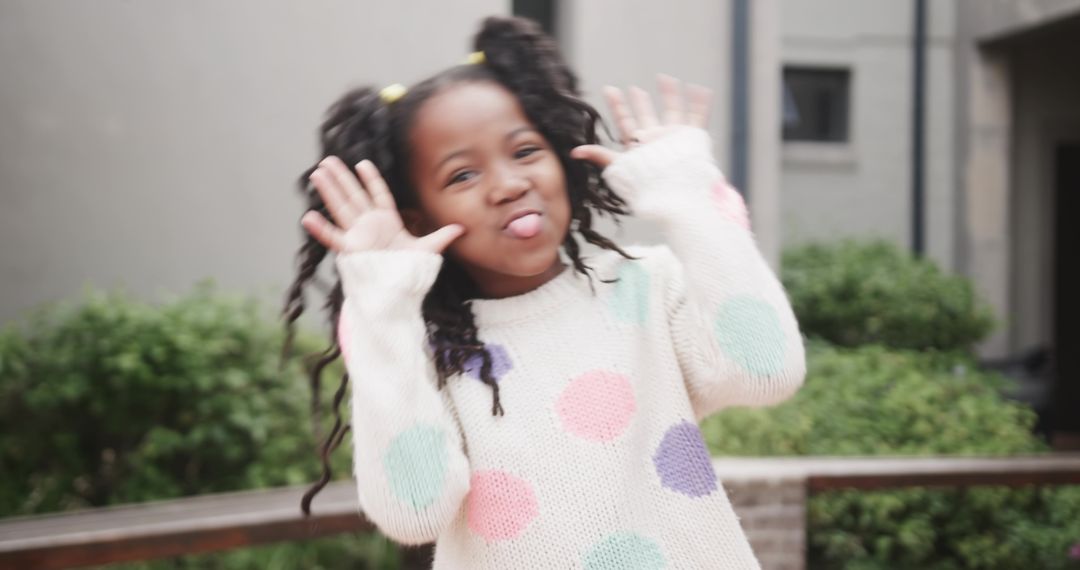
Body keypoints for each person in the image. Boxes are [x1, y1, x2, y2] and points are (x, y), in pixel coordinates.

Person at [284, 15, 806, 570]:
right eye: (462, 176)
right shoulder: (425, 350)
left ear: (561, 155)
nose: (510, 184)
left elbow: (764, 372)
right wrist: (382, 303)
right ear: (417, 219)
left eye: (526, 151)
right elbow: (414, 513)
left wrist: (690, 202)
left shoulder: (645, 286)